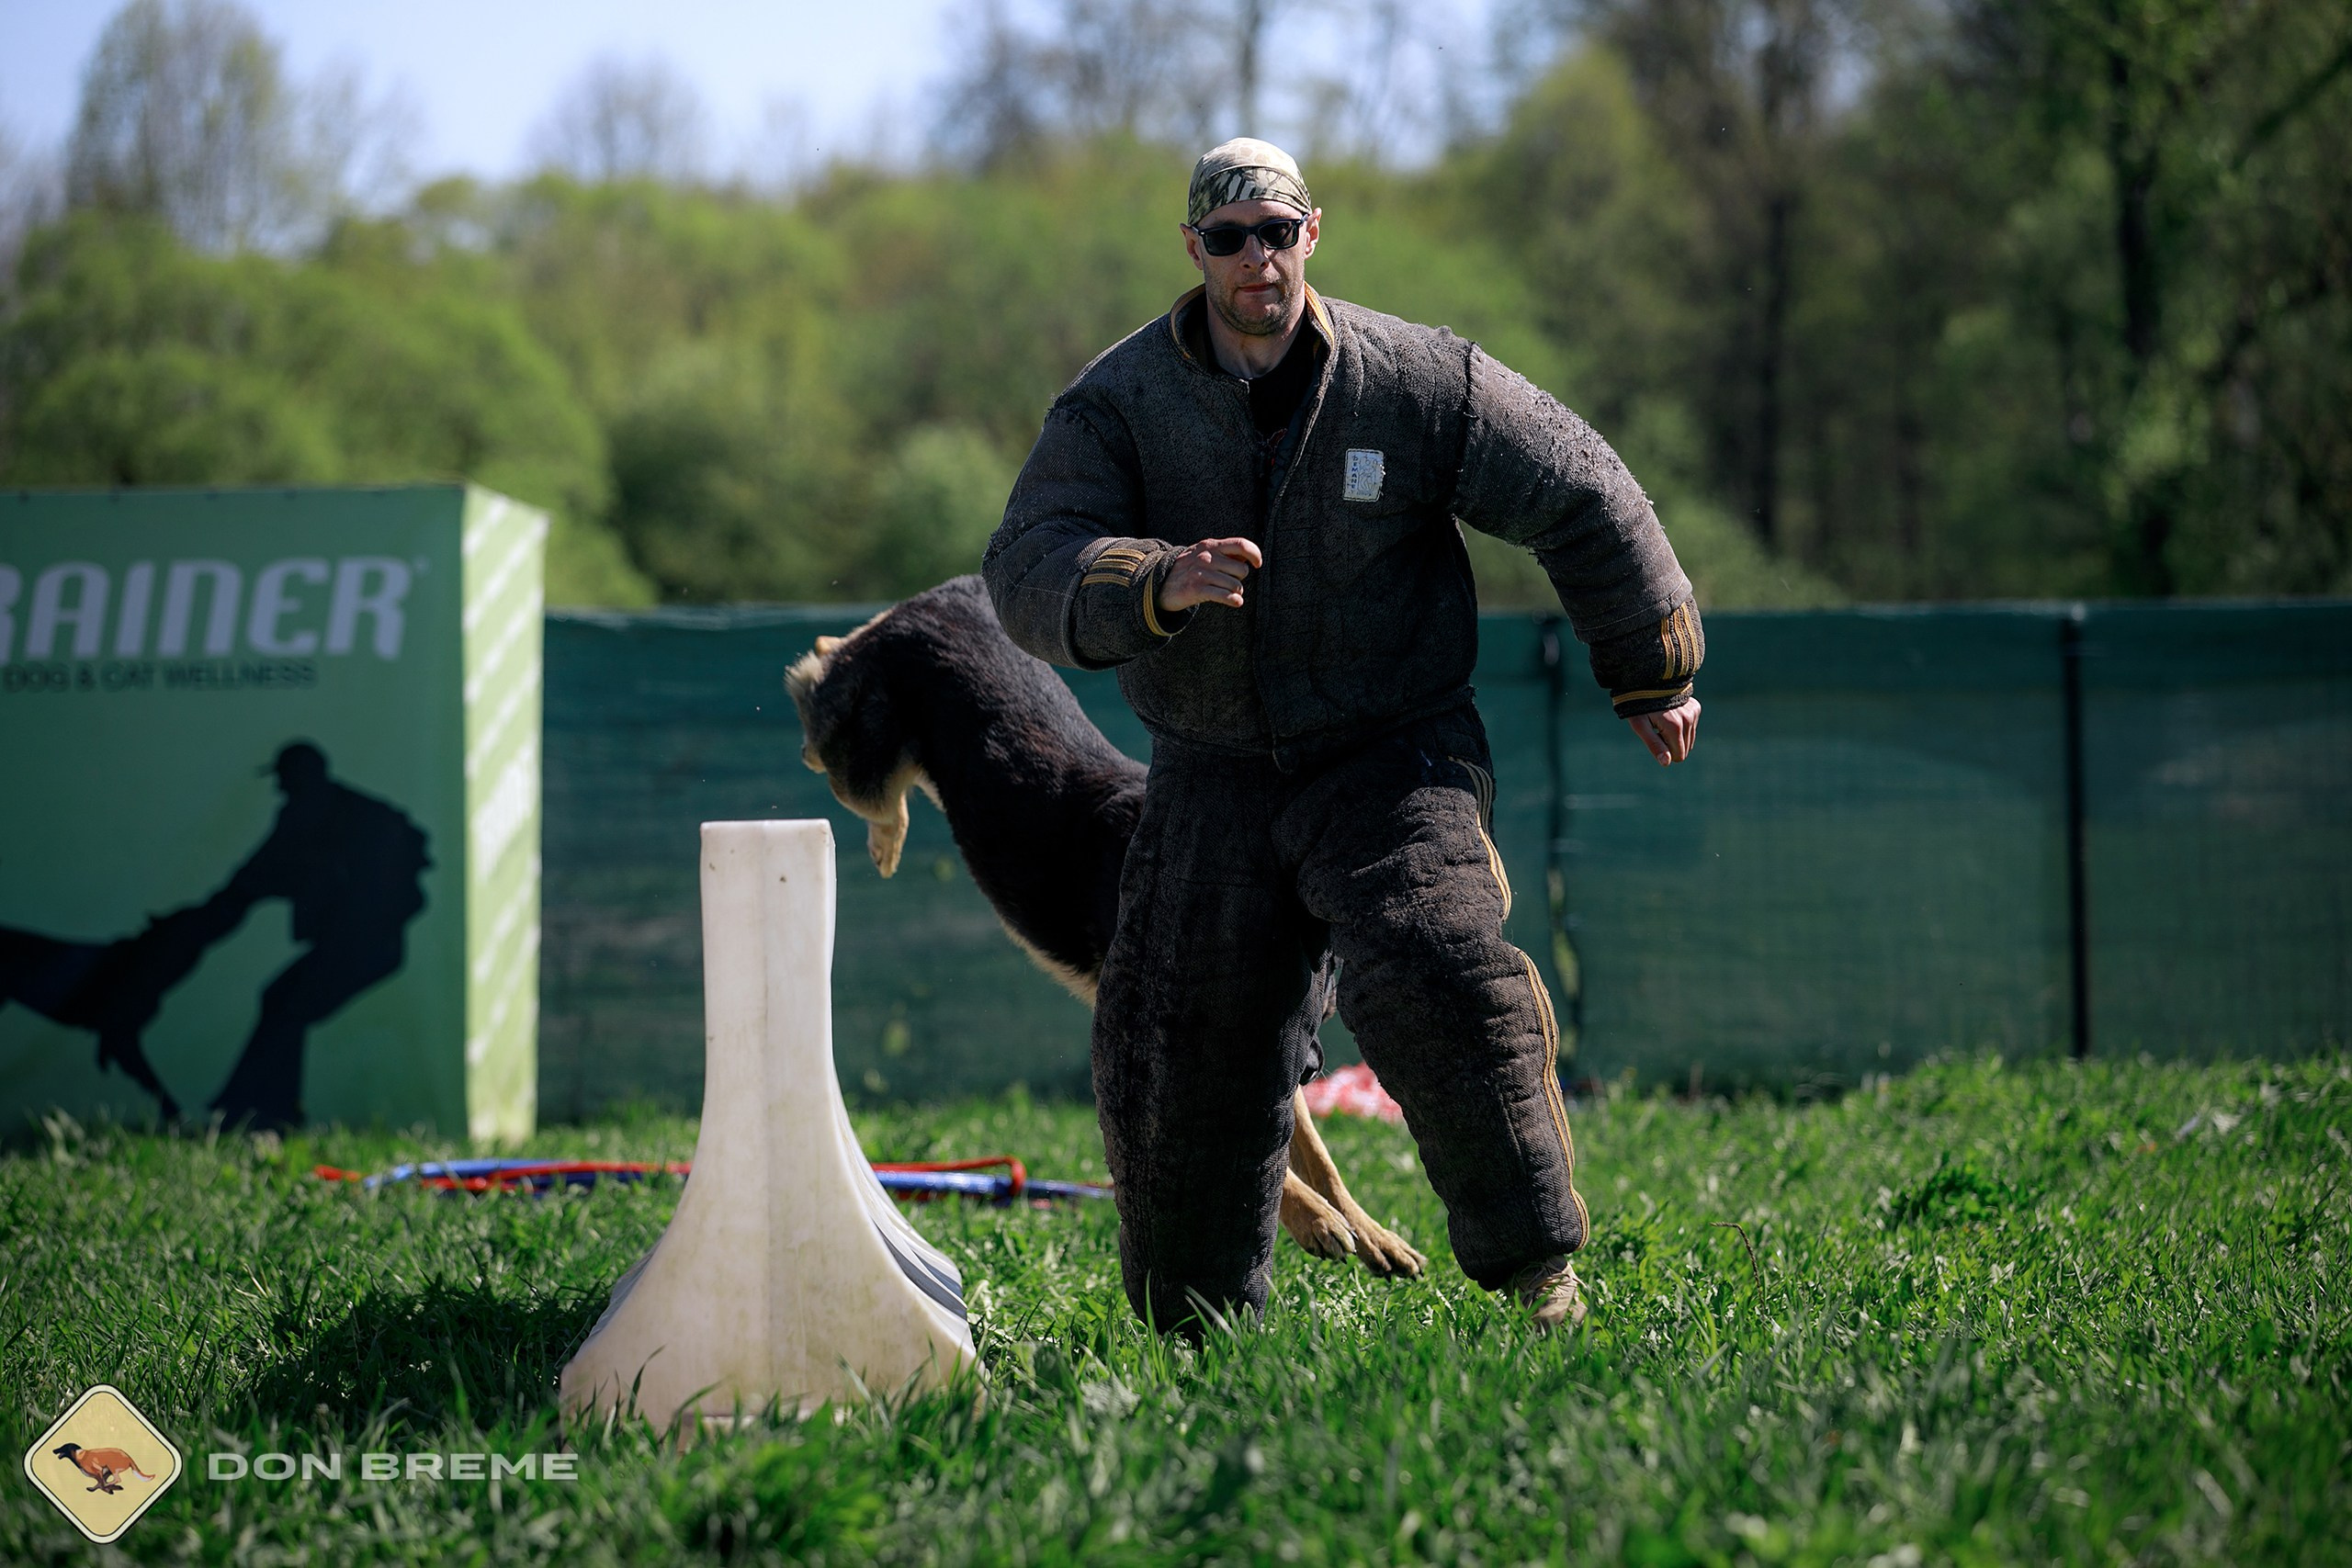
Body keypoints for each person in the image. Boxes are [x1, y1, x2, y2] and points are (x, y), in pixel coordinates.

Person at [982, 138, 1703, 1335]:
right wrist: (1154, 582)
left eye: (1277, 231)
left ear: (1314, 232)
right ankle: (1197, 1333)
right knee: (1170, 1036)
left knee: (1436, 969)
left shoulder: (1418, 383)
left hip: (1394, 748)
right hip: (1210, 769)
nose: (1256, 258)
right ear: (1194, 250)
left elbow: (1582, 488)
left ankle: (1543, 1281)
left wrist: (1651, 669)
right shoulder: (1118, 404)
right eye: (1230, 238)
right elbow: (1024, 565)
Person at [203, 741, 432, 1129]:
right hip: (356, 943)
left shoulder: (324, 815)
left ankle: (265, 1113)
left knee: (288, 1006)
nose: (281, 789)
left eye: (285, 780)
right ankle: (252, 1109)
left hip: (367, 946)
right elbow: (261, 874)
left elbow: (259, 872)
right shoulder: (339, 811)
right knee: (282, 1001)